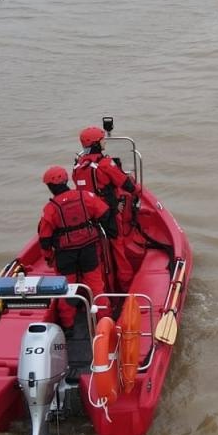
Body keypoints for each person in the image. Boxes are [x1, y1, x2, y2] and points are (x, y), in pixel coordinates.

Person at [37, 165, 111, 331]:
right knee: (96, 286)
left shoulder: (50, 209)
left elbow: (45, 239)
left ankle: (68, 327)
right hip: (88, 250)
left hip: (65, 255)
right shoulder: (85, 196)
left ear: (50, 187)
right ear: (66, 180)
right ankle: (105, 323)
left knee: (66, 290)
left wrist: (49, 257)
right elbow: (105, 213)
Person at [73, 126, 139, 289]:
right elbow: (127, 184)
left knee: (97, 252)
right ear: (96, 144)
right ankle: (126, 285)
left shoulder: (78, 166)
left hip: (86, 215)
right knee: (118, 247)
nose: (104, 142)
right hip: (107, 212)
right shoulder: (105, 164)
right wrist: (135, 190)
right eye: (102, 140)